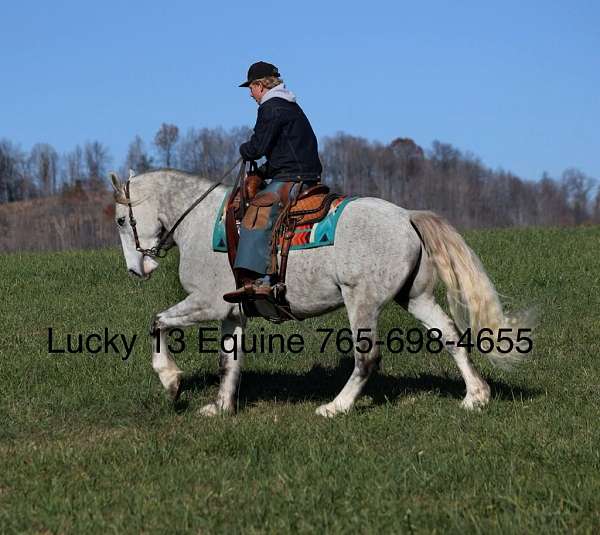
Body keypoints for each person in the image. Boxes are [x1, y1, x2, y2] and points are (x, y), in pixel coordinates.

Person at [223, 61, 322, 304]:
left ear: (260, 85)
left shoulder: (271, 107)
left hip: (292, 178)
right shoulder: (290, 106)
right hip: (300, 173)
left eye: (251, 88)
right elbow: (284, 154)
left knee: (257, 212)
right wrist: (263, 172)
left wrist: (244, 149)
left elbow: (258, 148)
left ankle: (261, 279)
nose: (250, 94)